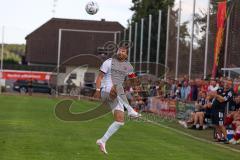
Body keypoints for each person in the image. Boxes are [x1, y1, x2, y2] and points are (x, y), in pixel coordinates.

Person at [94, 47, 141, 154]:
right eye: (119, 51)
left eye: (123, 51)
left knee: (120, 121)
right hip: (106, 90)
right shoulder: (108, 62)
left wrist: (135, 83)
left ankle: (102, 141)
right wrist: (97, 89)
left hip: (117, 94)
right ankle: (130, 110)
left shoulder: (128, 66)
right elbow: (100, 77)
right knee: (117, 84)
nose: (121, 52)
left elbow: (133, 79)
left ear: (127, 55)